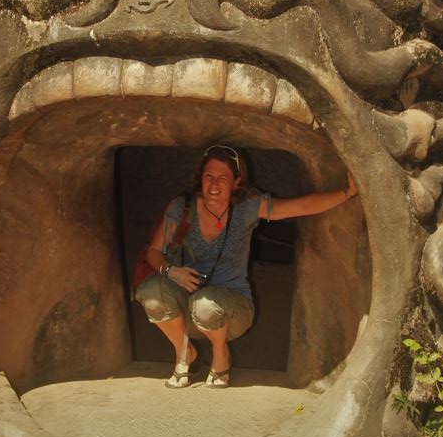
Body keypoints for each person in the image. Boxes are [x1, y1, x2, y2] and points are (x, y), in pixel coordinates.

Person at [134, 144, 358, 389]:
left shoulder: (247, 207)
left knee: (205, 305)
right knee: (150, 293)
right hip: (186, 308)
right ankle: (184, 353)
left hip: (232, 311)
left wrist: (346, 193)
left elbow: (299, 206)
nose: (214, 184)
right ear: (201, 178)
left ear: (237, 182)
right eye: (209, 176)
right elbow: (154, 252)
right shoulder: (183, 207)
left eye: (223, 178)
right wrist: (171, 271)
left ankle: (221, 356)